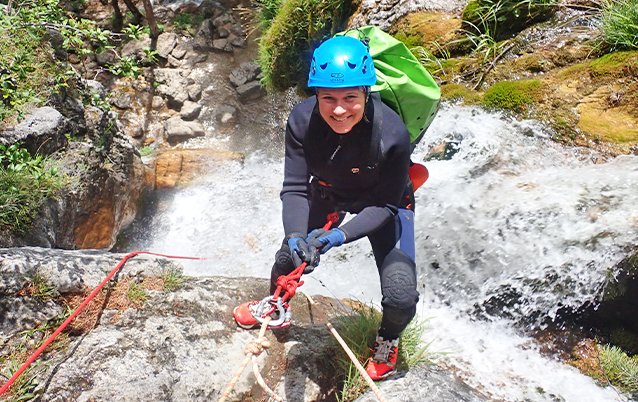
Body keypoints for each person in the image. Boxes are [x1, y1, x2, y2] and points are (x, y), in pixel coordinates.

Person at [233, 35, 420, 381]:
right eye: (328, 97)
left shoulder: (392, 133)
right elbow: (293, 188)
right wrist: (294, 236)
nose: (338, 109)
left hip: (385, 204)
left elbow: (385, 206)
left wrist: (337, 236)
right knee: (288, 259)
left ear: (366, 92)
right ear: (315, 94)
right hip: (329, 194)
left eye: (350, 97)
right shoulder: (302, 122)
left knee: (400, 296)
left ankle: (387, 340)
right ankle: (277, 304)